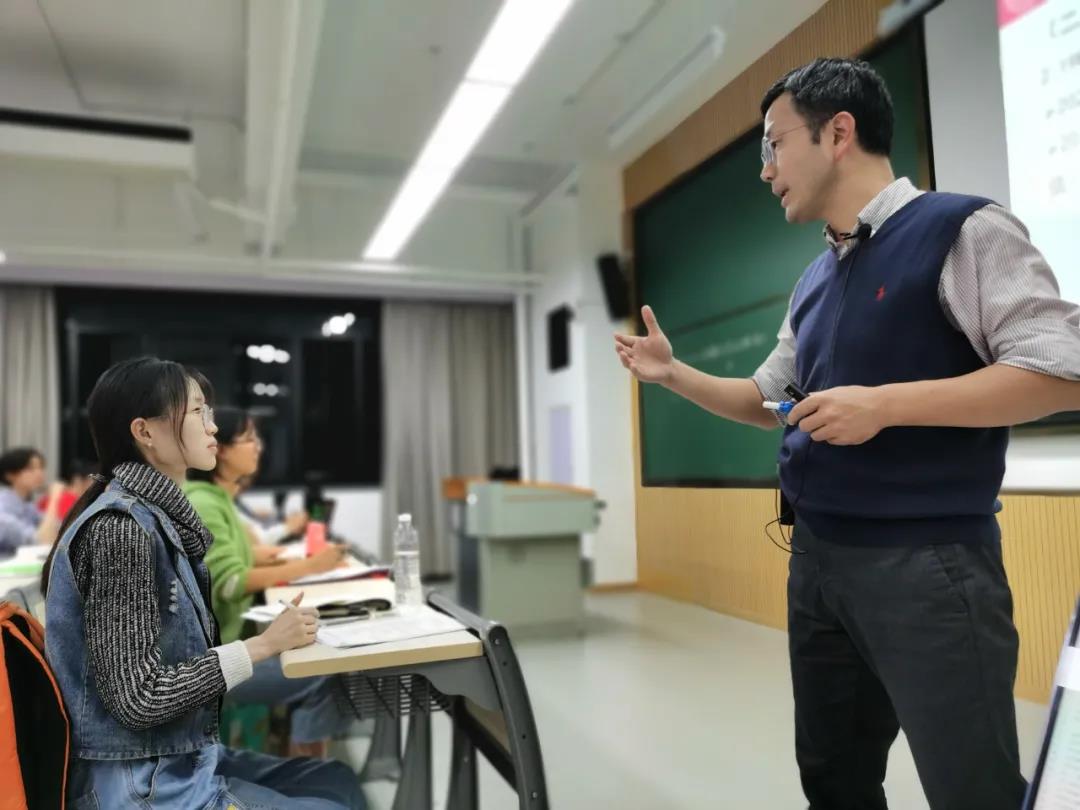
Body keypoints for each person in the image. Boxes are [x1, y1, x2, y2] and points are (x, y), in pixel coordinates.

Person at [616, 57, 1080, 810]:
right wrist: (673, 375)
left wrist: (885, 406)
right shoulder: (812, 281)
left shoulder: (964, 229)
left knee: (973, 790)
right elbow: (764, 398)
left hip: (928, 567)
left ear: (837, 133)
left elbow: (1061, 370)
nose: (765, 170)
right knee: (834, 780)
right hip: (818, 563)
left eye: (773, 144)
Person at [42, 358, 364, 809]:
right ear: (144, 431)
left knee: (335, 780)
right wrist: (263, 645)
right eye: (197, 412)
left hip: (176, 756)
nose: (212, 427)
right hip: (141, 782)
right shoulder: (121, 529)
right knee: (332, 800)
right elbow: (138, 698)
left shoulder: (155, 516)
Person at [185, 406, 348, 756]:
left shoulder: (218, 499)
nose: (258, 446)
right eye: (249, 439)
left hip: (230, 645)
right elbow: (230, 582)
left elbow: (235, 556)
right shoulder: (205, 503)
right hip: (219, 658)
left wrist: (293, 560)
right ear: (220, 449)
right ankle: (304, 768)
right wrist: (309, 565)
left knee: (318, 648)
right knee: (327, 671)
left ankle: (293, 753)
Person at [0, 447, 64, 554]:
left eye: (41, 467)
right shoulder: (3, 508)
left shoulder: (28, 506)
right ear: (10, 475)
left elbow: (60, 532)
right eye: (30, 468)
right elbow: (43, 541)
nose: (39, 473)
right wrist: (54, 498)